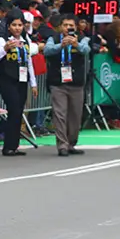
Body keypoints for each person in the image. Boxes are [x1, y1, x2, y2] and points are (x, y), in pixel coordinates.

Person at [0, 13, 39, 156]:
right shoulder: (2, 40)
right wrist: (5, 49)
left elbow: (29, 62)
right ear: (9, 27)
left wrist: (33, 83)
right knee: (14, 109)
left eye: (20, 25)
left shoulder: (25, 41)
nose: (17, 28)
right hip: (7, 79)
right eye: (14, 25)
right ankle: (8, 146)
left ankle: (14, 145)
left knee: (18, 112)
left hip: (22, 80)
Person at [43, 14, 91, 156]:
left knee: (75, 116)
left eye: (71, 25)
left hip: (76, 83)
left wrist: (76, 44)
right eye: (65, 25)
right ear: (60, 27)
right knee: (60, 114)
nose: (68, 28)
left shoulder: (82, 39)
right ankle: (62, 145)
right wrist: (61, 45)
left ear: (75, 27)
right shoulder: (54, 38)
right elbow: (47, 50)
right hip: (58, 82)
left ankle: (71, 143)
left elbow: (86, 50)